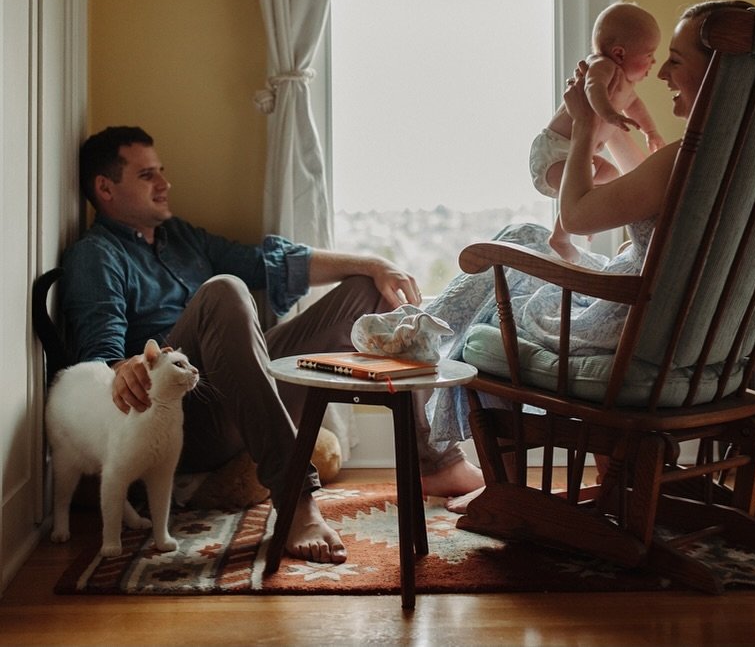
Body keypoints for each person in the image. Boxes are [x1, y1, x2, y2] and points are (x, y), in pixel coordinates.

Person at [60, 127, 483, 564]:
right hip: (180, 420)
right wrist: (121, 366)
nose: (164, 184)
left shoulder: (180, 238)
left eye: (161, 172)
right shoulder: (97, 256)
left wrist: (373, 264)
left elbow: (276, 265)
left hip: (246, 395)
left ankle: (437, 464)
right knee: (224, 291)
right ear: (105, 188)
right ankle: (295, 500)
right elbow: (98, 357)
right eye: (147, 175)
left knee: (366, 291)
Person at [425, 0, 751, 511]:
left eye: (677, 60)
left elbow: (575, 217)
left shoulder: (684, 162)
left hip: (635, 333)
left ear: (717, 72)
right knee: (528, 234)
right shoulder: (746, 160)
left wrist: (582, 125)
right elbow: (634, 175)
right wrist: (610, 115)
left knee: (496, 300)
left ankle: (505, 489)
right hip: (706, 348)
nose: (662, 72)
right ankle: (612, 479)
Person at [528, 1, 665, 261]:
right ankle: (561, 236)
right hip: (555, 150)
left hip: (577, 153)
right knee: (582, 188)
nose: (654, 62)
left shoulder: (624, 84)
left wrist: (651, 130)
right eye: (649, 54)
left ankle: (588, 216)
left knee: (612, 178)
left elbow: (635, 106)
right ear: (620, 53)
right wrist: (610, 115)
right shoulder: (602, 66)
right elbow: (592, 89)